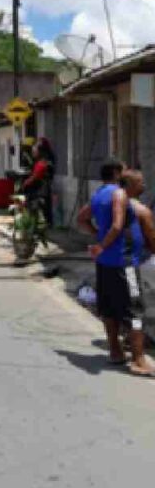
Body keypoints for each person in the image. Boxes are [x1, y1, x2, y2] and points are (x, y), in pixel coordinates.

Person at [76, 159, 153, 375]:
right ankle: (138, 360)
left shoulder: (99, 193)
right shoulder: (119, 193)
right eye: (124, 169)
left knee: (108, 308)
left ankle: (115, 352)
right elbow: (118, 225)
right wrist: (102, 245)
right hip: (124, 262)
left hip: (106, 264)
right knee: (135, 310)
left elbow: (82, 218)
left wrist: (98, 237)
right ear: (117, 173)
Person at [21, 137, 55, 233]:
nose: (33, 149)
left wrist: (26, 183)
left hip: (40, 188)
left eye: (35, 148)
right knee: (46, 208)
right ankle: (45, 224)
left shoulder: (42, 162)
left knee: (36, 206)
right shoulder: (48, 159)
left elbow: (36, 176)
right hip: (45, 187)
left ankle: (35, 225)